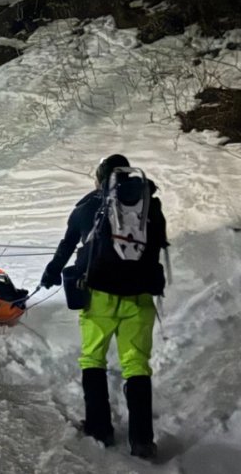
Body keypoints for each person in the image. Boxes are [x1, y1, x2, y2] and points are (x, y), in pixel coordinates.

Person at [40, 154, 168, 460]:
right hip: (140, 297)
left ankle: (99, 429)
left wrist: (52, 272)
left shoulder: (89, 205)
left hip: (100, 296)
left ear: (101, 178)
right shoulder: (149, 206)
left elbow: (68, 243)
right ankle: (142, 440)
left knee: (93, 359)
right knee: (136, 364)